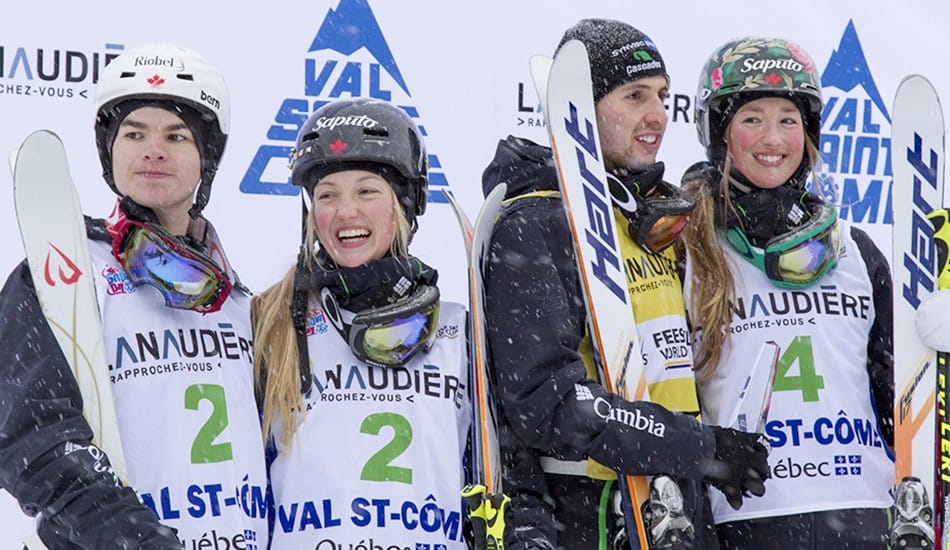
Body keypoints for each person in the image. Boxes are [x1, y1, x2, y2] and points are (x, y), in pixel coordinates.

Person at [481, 18, 770, 549]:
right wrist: (700, 448)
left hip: (673, 504)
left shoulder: (652, 220)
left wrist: (712, 453)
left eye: (662, 96)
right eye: (635, 96)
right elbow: (549, 402)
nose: (657, 115)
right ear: (578, 109)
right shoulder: (537, 224)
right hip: (590, 509)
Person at [0, 43, 268, 548]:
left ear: (206, 157)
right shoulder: (66, 274)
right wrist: (127, 535)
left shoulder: (239, 305)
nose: (153, 150)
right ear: (110, 151)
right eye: (134, 133)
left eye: (177, 135)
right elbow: (31, 436)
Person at [678, 36, 894, 548]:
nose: (772, 138)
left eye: (788, 119)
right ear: (719, 132)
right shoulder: (687, 250)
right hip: (745, 516)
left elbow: (899, 393)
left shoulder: (855, 251)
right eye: (752, 117)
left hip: (862, 511)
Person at [252, 98, 471, 549]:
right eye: (327, 194)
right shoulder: (270, 322)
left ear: (406, 203)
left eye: (367, 191)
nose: (346, 212)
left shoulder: (459, 332)